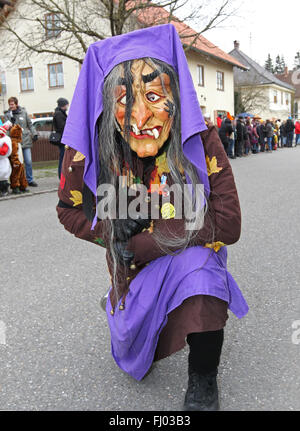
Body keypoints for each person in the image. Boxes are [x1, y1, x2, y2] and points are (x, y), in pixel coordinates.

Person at [56, 24, 248, 411]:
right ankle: (120, 309)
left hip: (182, 261)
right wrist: (109, 228)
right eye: (124, 99)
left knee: (201, 269)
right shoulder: (90, 151)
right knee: (132, 354)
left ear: (177, 95)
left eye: (155, 95)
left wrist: (144, 240)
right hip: (132, 273)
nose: (141, 117)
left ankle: (203, 379)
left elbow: (228, 224)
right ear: (106, 106)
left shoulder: (200, 139)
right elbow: (68, 210)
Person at [4, 97, 38, 186]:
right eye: (10, 104)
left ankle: (30, 180)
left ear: (16, 104)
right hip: (15, 142)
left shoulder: (24, 112)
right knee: (17, 163)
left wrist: (34, 133)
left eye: (12, 104)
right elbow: (6, 129)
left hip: (25, 140)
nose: (11, 106)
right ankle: (18, 181)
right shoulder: (8, 115)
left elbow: (30, 124)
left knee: (28, 161)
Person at [9, 124, 29, 194]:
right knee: (15, 175)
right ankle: (15, 187)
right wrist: (15, 162)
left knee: (22, 174)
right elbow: (14, 154)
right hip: (17, 163)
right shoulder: (13, 142)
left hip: (20, 161)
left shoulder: (17, 142)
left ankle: (22, 186)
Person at [53, 98, 69, 179]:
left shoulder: (60, 113)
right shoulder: (59, 114)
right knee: (63, 159)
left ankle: (62, 176)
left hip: (63, 139)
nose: (67, 106)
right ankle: (61, 176)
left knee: (63, 158)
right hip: (62, 140)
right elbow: (62, 127)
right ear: (63, 105)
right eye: (66, 104)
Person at [0, 122, 12, 197]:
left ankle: (4, 189)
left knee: (3, 176)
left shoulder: (5, 140)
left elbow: (4, 151)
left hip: (3, 162)